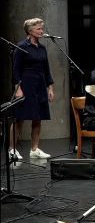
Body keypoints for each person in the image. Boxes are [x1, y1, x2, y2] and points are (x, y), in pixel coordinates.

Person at [10, 18, 55, 160]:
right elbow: (15, 70)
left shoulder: (42, 48)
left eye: (42, 28)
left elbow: (46, 69)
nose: (42, 31)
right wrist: (18, 88)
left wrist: (50, 87)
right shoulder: (22, 47)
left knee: (38, 117)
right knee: (19, 118)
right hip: (26, 84)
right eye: (39, 29)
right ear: (30, 31)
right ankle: (12, 149)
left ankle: (34, 149)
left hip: (40, 84)